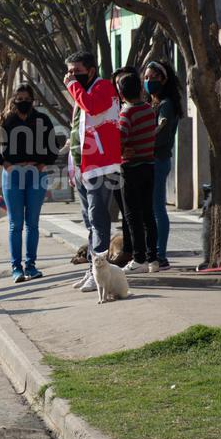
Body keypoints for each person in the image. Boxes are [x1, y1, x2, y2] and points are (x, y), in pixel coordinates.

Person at [0, 84, 60, 283]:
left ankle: (31, 266)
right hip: (13, 175)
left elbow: (54, 146)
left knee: (32, 223)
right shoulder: (3, 120)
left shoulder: (42, 120)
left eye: (27, 99)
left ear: (32, 100)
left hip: (36, 174)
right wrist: (4, 163)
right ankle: (16, 269)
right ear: (13, 100)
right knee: (15, 224)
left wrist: (43, 163)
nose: (23, 102)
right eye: (19, 99)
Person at [64, 51, 122, 293]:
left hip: (101, 165)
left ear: (91, 70)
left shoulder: (103, 88)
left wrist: (72, 86)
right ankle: (93, 269)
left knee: (98, 220)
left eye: (76, 71)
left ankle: (101, 272)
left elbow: (93, 107)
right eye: (69, 71)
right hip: (82, 166)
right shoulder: (82, 90)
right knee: (89, 221)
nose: (71, 76)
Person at [143, 60, 183, 270]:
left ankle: (160, 255)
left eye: (153, 77)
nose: (149, 81)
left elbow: (161, 135)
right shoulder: (153, 103)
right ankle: (153, 253)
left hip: (158, 160)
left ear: (164, 79)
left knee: (157, 208)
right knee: (151, 208)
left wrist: (140, 143)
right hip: (150, 160)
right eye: (146, 77)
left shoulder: (166, 105)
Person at [118, 74, 159, 273]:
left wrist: (120, 150)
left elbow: (119, 138)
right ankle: (153, 259)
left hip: (131, 168)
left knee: (132, 216)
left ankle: (139, 259)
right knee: (148, 214)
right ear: (141, 89)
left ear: (121, 93)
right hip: (149, 165)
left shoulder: (126, 113)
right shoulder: (149, 110)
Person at [110, 66, 137, 264]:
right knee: (125, 211)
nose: (120, 88)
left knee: (135, 212)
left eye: (123, 83)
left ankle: (135, 251)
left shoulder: (135, 107)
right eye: (117, 84)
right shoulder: (111, 107)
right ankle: (129, 250)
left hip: (134, 165)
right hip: (115, 165)